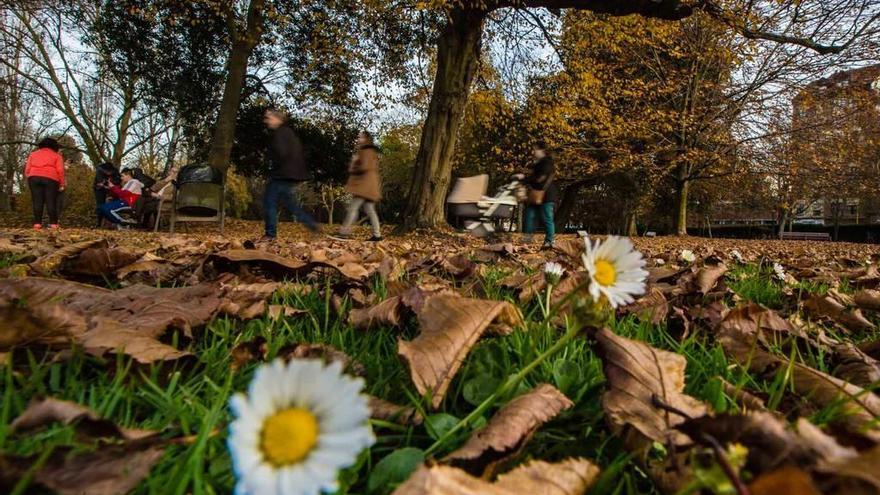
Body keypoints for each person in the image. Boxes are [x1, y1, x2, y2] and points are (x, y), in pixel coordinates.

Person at [261, 108, 318, 241]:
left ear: (277, 119)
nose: (266, 121)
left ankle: (270, 234)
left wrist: (272, 164)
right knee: (290, 203)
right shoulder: (289, 133)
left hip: (282, 174)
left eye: (269, 118)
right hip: (291, 174)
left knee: (270, 202)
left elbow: (282, 153)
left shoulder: (280, 133)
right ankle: (311, 224)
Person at [337, 131, 383, 241]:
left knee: (353, 207)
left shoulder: (365, 150)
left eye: (361, 137)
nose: (358, 139)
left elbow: (365, 167)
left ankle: (344, 232)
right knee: (370, 209)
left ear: (366, 139)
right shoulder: (371, 151)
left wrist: (354, 163)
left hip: (364, 185)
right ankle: (377, 235)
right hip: (370, 185)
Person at [523, 140, 558, 250]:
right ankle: (527, 240)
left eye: (534, 149)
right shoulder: (538, 163)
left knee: (547, 218)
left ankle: (549, 241)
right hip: (536, 195)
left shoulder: (546, 162)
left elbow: (540, 178)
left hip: (547, 195)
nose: (533, 152)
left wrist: (525, 179)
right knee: (529, 216)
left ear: (540, 150)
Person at [24, 137, 65, 230]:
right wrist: (62, 184)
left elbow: (27, 169)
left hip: (34, 177)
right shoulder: (57, 156)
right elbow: (60, 170)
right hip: (51, 178)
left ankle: (37, 224)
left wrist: (30, 176)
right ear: (55, 146)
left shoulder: (33, 154)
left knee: (37, 201)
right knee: (51, 200)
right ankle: (53, 224)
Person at [94, 162, 121, 227]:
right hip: (100, 189)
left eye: (109, 172)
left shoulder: (115, 171)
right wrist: (104, 184)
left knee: (115, 203)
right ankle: (99, 222)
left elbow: (118, 181)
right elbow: (99, 182)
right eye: (106, 172)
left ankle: (114, 222)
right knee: (100, 204)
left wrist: (112, 184)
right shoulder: (99, 170)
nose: (108, 173)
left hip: (113, 189)